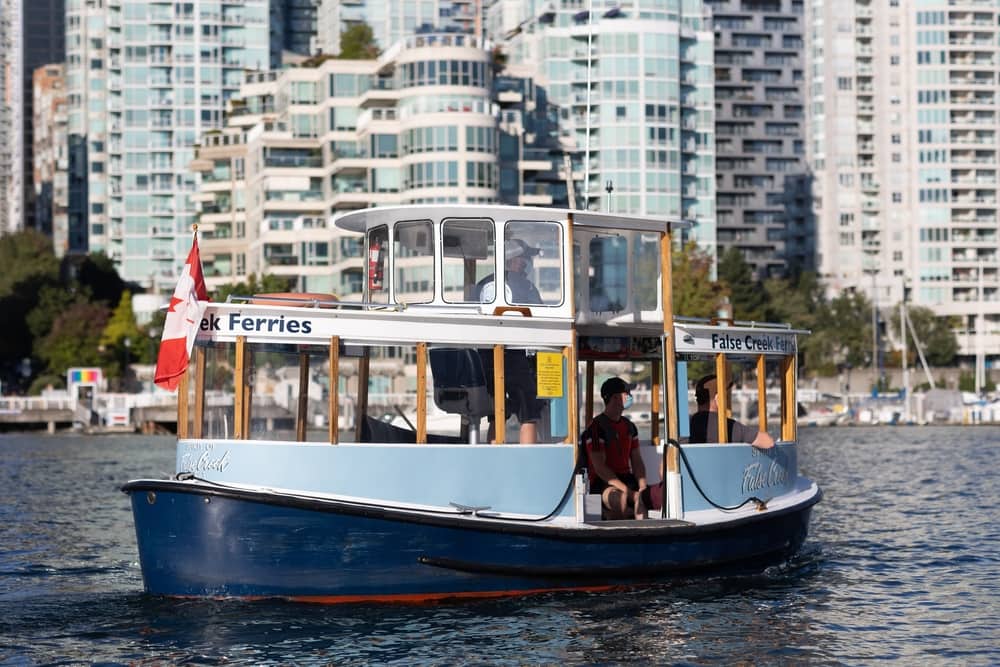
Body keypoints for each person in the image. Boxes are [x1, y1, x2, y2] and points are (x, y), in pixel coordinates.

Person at [477, 238, 545, 443]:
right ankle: (529, 460)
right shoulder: (526, 287)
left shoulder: (482, 284)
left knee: (496, 415)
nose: (526, 263)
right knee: (529, 414)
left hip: (486, 360)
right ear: (512, 259)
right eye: (524, 258)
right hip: (518, 360)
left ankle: (493, 456)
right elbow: (541, 321)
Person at [582, 377, 660, 520]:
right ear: (616, 397)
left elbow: (637, 461)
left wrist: (642, 488)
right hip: (602, 483)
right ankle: (612, 518)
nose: (630, 396)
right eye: (627, 393)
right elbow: (600, 469)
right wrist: (631, 494)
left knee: (654, 497)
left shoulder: (629, 427)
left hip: (627, 479)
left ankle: (642, 535)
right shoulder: (596, 428)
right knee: (621, 500)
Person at [689, 374, 774, 448]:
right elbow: (768, 442)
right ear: (718, 398)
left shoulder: (691, 423)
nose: (727, 398)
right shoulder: (725, 425)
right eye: (725, 395)